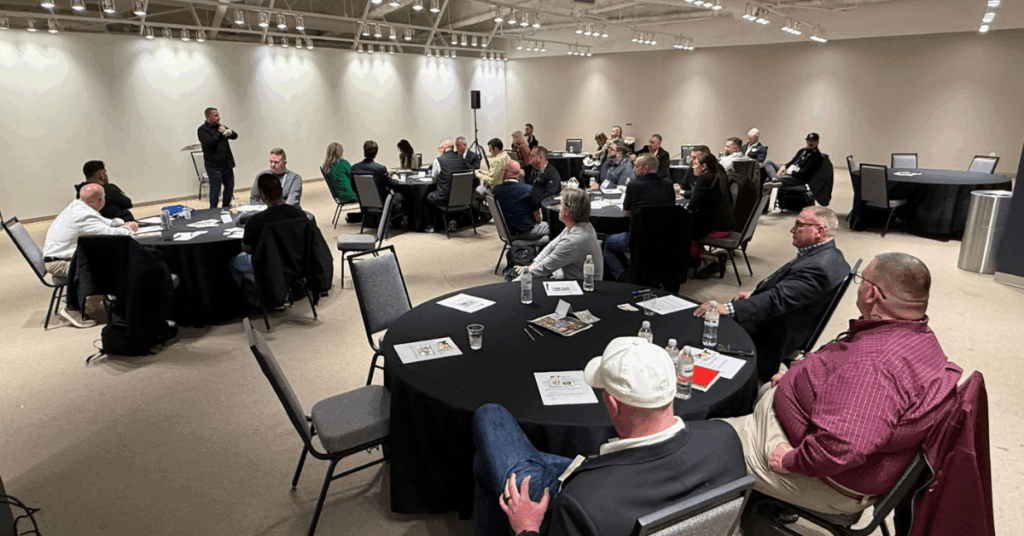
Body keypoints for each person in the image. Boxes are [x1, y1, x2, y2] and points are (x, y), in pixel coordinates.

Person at [723, 252, 962, 516]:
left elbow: (842, 448)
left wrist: (790, 461)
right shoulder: (915, 334)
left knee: (708, 442)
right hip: (825, 448)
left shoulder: (874, 366)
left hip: (824, 477)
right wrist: (797, 376)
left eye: (862, 280)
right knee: (756, 393)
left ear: (872, 294)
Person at [473, 337, 746, 536]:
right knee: (487, 464)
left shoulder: (582, 500)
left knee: (490, 416)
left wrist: (527, 528)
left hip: (581, 503)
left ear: (612, 404)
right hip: (617, 488)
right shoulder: (725, 438)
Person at [693, 207, 849, 381]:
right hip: (787, 317)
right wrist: (755, 294)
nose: (792, 230)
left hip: (773, 333)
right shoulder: (831, 255)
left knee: (702, 327)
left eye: (799, 225)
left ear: (819, 231)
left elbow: (776, 301)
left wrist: (727, 308)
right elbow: (792, 291)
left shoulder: (818, 267)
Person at [43, 183, 138, 327]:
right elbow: (111, 234)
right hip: (60, 263)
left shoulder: (78, 206)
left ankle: (89, 300)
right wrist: (128, 229)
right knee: (105, 273)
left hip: (63, 258)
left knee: (109, 263)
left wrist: (122, 223)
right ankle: (76, 310)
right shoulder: (84, 216)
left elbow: (105, 223)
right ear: (101, 200)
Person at [231, 173, 308, 306]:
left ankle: (257, 301)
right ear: (282, 191)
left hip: (269, 264)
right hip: (298, 261)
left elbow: (247, 248)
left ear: (263, 196)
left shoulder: (256, 221)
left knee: (234, 262)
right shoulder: (300, 214)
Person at [603, 154, 674, 282]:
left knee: (603, 242)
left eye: (636, 166)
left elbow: (626, 213)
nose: (633, 169)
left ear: (645, 168)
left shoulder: (634, 185)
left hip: (637, 238)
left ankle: (621, 274)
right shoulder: (668, 185)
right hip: (665, 237)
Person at [515, 187, 603, 281]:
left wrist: (512, 284)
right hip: (571, 277)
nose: (558, 207)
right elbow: (551, 247)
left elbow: (543, 268)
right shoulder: (581, 225)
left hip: (581, 286)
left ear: (567, 211)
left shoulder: (573, 241)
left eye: (560, 204)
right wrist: (531, 267)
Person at [491, 161, 548, 240]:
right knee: (551, 226)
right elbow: (538, 218)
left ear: (504, 173)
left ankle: (521, 245)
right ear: (520, 173)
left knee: (545, 238)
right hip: (527, 232)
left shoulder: (495, 190)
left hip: (507, 233)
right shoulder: (530, 190)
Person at [426, 138, 473, 231]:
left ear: (444, 148)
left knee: (427, 196)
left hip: (444, 199)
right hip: (462, 199)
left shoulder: (439, 160)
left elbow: (434, 179)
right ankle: (453, 220)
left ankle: (431, 225)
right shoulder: (461, 159)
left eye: (440, 148)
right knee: (452, 195)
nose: (440, 150)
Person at [352, 140, 404, 224]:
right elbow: (392, 184)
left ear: (364, 151)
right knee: (400, 195)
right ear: (376, 153)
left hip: (364, 202)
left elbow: (354, 187)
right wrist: (395, 177)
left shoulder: (354, 168)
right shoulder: (380, 169)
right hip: (382, 201)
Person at [197, 107, 238, 209]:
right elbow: (209, 143)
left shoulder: (221, 126)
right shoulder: (202, 130)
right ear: (208, 117)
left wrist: (230, 133)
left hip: (227, 164)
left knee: (229, 187)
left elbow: (235, 136)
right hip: (214, 166)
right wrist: (220, 133)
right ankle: (213, 210)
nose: (218, 117)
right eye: (215, 115)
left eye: (218, 115)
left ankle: (226, 206)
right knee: (215, 189)